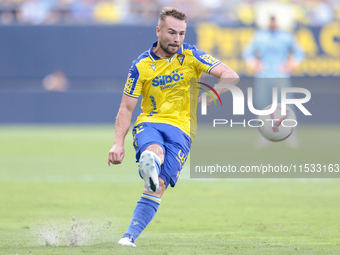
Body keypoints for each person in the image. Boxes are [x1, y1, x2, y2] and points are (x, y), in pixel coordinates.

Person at [107, 7, 239, 247]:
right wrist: (118, 143)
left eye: (181, 33)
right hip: (151, 123)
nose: (177, 39)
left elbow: (230, 75)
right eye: (171, 33)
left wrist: (212, 95)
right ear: (158, 31)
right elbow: (126, 108)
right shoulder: (141, 66)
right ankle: (149, 162)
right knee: (153, 151)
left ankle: (128, 237)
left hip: (183, 131)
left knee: (159, 186)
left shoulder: (192, 55)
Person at [243, 16, 305, 148]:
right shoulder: (260, 35)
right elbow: (247, 52)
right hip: (263, 75)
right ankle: (263, 135)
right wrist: (254, 63)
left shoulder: (286, 36)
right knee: (261, 105)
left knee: (287, 105)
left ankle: (291, 135)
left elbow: (299, 52)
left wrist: (290, 64)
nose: (272, 23)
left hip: (280, 75)